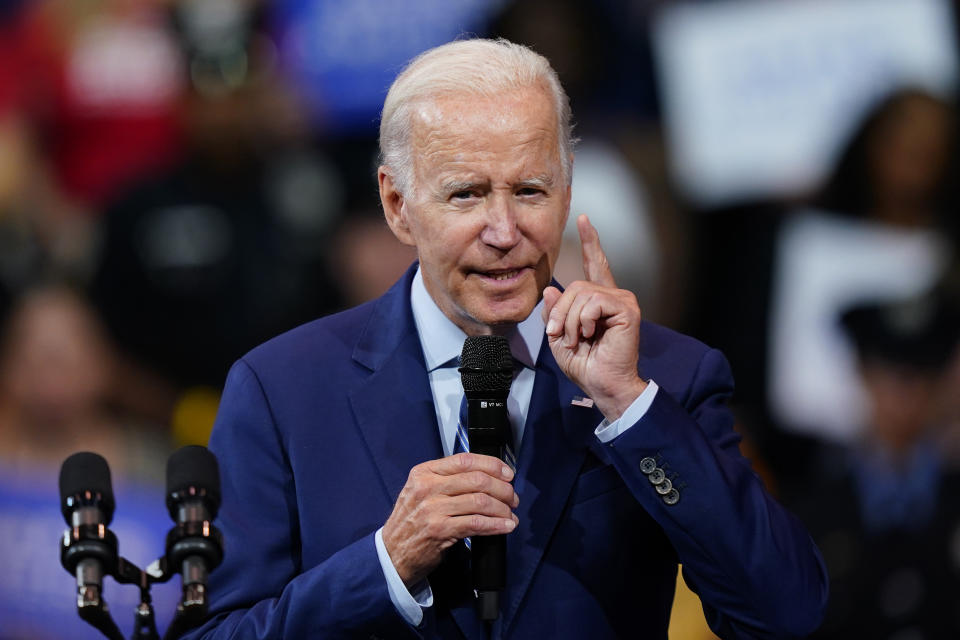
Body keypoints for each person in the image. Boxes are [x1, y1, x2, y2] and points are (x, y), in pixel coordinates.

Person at [185, 38, 827, 639]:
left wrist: (630, 407)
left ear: (567, 186)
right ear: (397, 204)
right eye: (465, 194)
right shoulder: (283, 389)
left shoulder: (665, 376)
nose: (504, 230)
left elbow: (785, 614)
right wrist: (386, 564)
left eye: (529, 190)